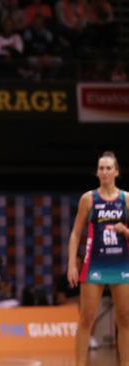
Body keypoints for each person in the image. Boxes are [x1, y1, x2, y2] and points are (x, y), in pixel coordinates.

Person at [67, 151, 129, 366]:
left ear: (116, 172)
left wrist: (125, 231)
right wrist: (71, 264)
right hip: (94, 264)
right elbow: (75, 233)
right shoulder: (89, 199)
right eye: (101, 168)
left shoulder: (126, 199)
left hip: (121, 264)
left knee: (125, 321)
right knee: (86, 319)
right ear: (97, 172)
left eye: (108, 168)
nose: (104, 171)